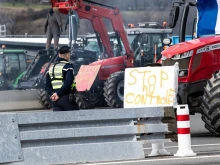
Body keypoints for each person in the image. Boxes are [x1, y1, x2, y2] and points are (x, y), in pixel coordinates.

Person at [45, 46, 76, 111]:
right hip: (66, 98)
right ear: (67, 55)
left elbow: (47, 86)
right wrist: (58, 94)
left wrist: (53, 94)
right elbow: (68, 82)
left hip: (55, 101)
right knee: (76, 117)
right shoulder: (68, 66)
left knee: (58, 120)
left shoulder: (51, 68)